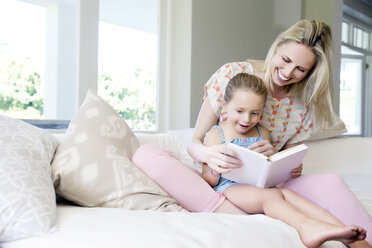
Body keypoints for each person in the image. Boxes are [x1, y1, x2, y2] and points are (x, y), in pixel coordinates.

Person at [132, 20, 372, 247]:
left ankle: (358, 241)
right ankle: (237, 212)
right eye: (285, 59)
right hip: (220, 183)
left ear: (311, 72)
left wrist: (287, 164)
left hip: (267, 186)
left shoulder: (304, 102)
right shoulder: (231, 74)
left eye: (300, 69)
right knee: (147, 154)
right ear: (277, 47)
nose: (288, 72)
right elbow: (196, 142)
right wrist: (210, 155)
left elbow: (287, 163)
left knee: (329, 182)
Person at [200, 72, 366, 248]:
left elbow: (268, 170)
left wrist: (288, 170)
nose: (247, 119)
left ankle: (353, 238)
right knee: (271, 195)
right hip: (229, 188)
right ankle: (308, 228)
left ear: (263, 110)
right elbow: (208, 181)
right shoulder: (216, 135)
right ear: (225, 106)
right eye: (239, 111)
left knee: (290, 195)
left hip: (260, 187)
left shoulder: (261, 133)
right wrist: (216, 167)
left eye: (255, 113)